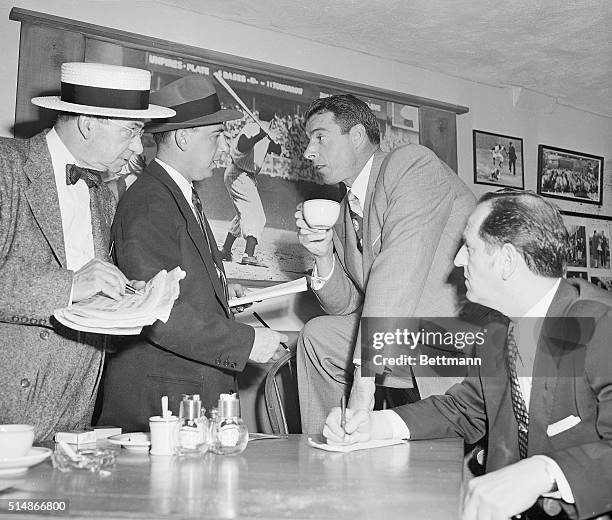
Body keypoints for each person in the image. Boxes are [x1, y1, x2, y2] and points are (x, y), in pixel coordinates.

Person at [324, 191, 612, 520]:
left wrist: (545, 471)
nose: (458, 260)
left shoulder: (598, 325)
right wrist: (374, 424)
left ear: (506, 261)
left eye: (469, 247)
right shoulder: (497, 330)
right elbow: (463, 410)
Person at [98, 76, 287, 431]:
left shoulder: (178, 193)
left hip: (185, 395)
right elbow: (155, 308)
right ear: (183, 137)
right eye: (215, 137)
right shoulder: (151, 200)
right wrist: (246, 342)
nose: (221, 147)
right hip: (161, 405)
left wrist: (220, 294)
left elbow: (176, 283)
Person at [0, 62, 174, 441]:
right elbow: (72, 283)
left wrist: (130, 297)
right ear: (88, 123)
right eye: (131, 131)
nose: (135, 147)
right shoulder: (6, 165)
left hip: (75, 404)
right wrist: (71, 284)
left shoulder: (103, 194)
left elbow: (92, 288)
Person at [295, 94, 475, 433]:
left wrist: (363, 390)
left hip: (456, 340)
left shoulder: (410, 163)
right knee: (318, 336)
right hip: (408, 339)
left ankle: (359, 426)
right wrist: (322, 257)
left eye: (320, 137)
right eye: (308, 141)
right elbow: (346, 304)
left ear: (358, 136)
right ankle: (329, 447)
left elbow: (398, 271)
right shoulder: (346, 211)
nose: (308, 151)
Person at [219, 109, 282, 266]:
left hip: (245, 176)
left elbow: (278, 150)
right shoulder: (252, 128)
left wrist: (272, 141)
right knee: (257, 216)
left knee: (244, 215)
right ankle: (248, 255)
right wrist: (261, 134)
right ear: (273, 118)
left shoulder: (266, 131)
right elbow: (242, 145)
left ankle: (225, 250)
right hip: (238, 174)